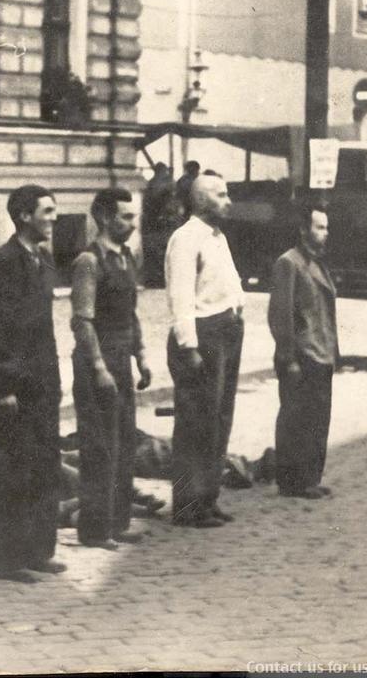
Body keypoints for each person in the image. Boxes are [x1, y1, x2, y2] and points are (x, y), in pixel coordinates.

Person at [0, 184, 66, 582]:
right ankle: (5, 560)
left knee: (44, 466)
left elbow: (43, 330)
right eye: (47, 211)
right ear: (25, 216)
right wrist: (1, 388)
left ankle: (38, 550)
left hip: (43, 382)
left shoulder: (43, 260)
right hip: (13, 387)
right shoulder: (1, 263)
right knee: (11, 470)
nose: (54, 217)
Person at [69, 188, 153, 549]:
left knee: (123, 444)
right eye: (125, 217)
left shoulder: (125, 258)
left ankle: (118, 523)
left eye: (134, 217)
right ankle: (94, 529)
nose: (133, 224)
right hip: (96, 363)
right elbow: (82, 321)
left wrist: (142, 356)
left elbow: (130, 313)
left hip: (121, 359)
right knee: (99, 447)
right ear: (104, 218)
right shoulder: (89, 261)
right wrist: (100, 367)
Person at [164, 173, 245, 528]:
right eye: (221, 195)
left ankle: (207, 498)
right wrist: (189, 347)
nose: (229, 202)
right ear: (200, 201)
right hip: (203, 334)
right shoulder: (184, 239)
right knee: (194, 423)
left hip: (226, 331)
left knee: (218, 420)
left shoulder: (217, 237)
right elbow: (180, 295)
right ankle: (186, 505)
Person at [268, 201, 339, 500]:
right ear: (303, 230)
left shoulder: (318, 262)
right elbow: (280, 315)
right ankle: (291, 481)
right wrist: (288, 357)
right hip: (301, 354)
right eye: (319, 227)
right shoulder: (289, 263)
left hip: (321, 352)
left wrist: (335, 352)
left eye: (326, 227)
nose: (325, 233)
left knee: (318, 419)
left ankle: (310, 477)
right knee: (296, 419)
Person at [141, 162, 176, 287]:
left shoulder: (151, 184)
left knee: (154, 254)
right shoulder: (165, 184)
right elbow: (169, 206)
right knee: (163, 253)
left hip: (152, 225)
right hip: (162, 225)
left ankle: (154, 281)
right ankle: (161, 281)